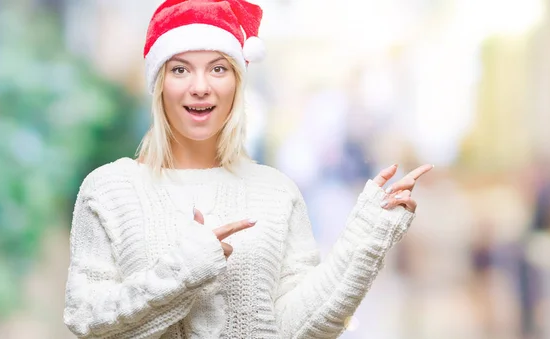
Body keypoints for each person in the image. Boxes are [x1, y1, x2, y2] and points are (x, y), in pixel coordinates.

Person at [62, 0, 433, 338]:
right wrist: (184, 271)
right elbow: (86, 321)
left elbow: (297, 328)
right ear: (159, 84)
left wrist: (366, 239)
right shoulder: (108, 190)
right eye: (180, 70)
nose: (200, 87)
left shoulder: (276, 192)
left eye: (218, 69)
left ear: (237, 83)